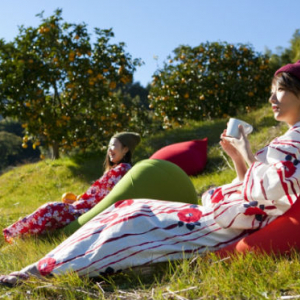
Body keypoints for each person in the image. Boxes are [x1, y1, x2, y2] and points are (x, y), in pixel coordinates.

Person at [2, 61, 300, 286]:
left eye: (281, 90)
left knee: (132, 222)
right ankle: (45, 266)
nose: (272, 99)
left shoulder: (297, 140)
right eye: (272, 92)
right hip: (225, 214)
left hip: (230, 226)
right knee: (128, 208)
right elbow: (249, 185)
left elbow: (274, 192)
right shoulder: (286, 139)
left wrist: (247, 152)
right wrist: (237, 158)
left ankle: (40, 273)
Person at [2, 132, 141, 243]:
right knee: (51, 210)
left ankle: (13, 234)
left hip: (86, 212)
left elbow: (102, 197)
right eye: (109, 146)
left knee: (50, 208)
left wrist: (78, 203)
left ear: (126, 149)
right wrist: (78, 200)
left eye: (113, 146)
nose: (109, 150)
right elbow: (97, 193)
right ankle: (23, 236)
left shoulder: (122, 169)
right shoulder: (117, 169)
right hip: (82, 207)